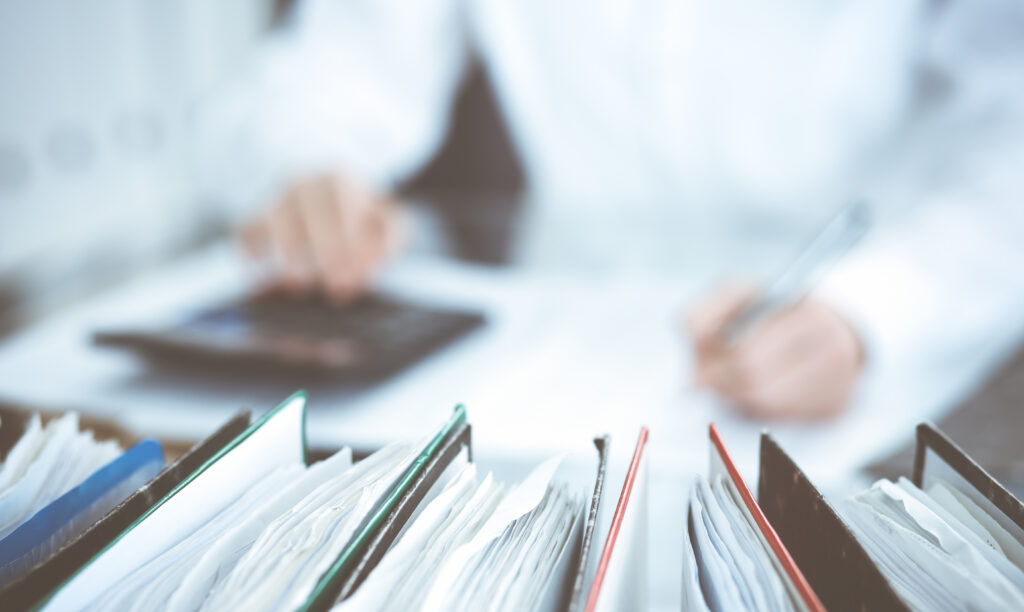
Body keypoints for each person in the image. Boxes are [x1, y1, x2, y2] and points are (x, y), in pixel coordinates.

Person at [197, 0, 1024, 421]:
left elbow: (1009, 127)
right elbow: (334, 66)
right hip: (555, 355)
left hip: (871, 343)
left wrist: (880, 307)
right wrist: (313, 168)